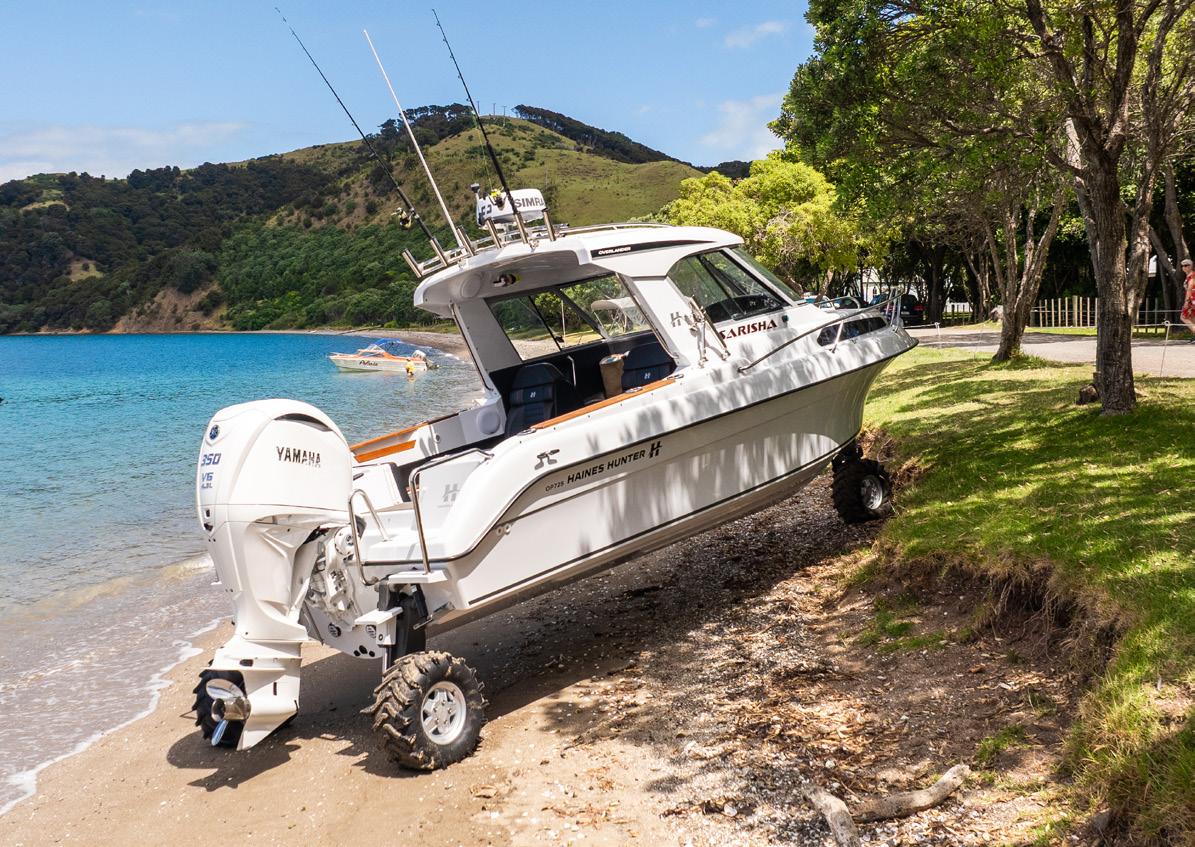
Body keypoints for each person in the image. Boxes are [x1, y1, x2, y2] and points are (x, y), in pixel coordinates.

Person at [1182, 257, 1195, 341]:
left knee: (1183, 317)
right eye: (1183, 265)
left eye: (1186, 265)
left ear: (1191, 266)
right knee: (1192, 318)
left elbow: (1190, 288)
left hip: (1192, 299)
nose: (1184, 267)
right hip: (1192, 299)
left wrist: (1186, 301)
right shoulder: (1188, 276)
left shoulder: (1192, 275)